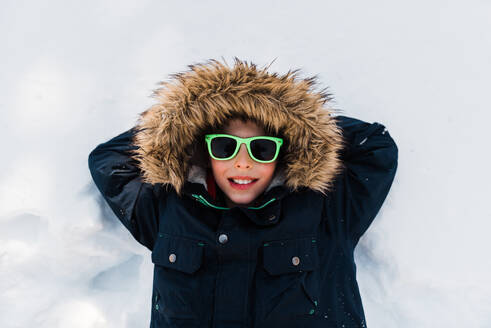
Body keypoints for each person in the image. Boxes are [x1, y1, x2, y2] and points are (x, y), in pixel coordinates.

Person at [88, 58, 398, 328]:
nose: (243, 163)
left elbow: (376, 149)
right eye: (225, 146)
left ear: (284, 153)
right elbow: (108, 162)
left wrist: (298, 119)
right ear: (203, 150)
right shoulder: (169, 209)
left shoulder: (326, 208)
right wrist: (181, 121)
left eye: (262, 148)